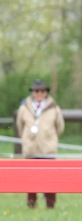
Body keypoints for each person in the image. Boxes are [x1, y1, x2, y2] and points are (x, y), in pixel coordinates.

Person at [16, 79, 64, 208]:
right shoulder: (24, 108)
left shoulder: (54, 108)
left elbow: (60, 127)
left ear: (46, 92)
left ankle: (50, 204)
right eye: (37, 91)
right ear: (33, 92)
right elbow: (20, 126)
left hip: (47, 149)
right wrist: (27, 138)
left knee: (50, 178)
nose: (39, 93)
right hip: (31, 149)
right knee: (31, 179)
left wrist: (49, 138)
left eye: (42, 91)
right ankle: (31, 203)